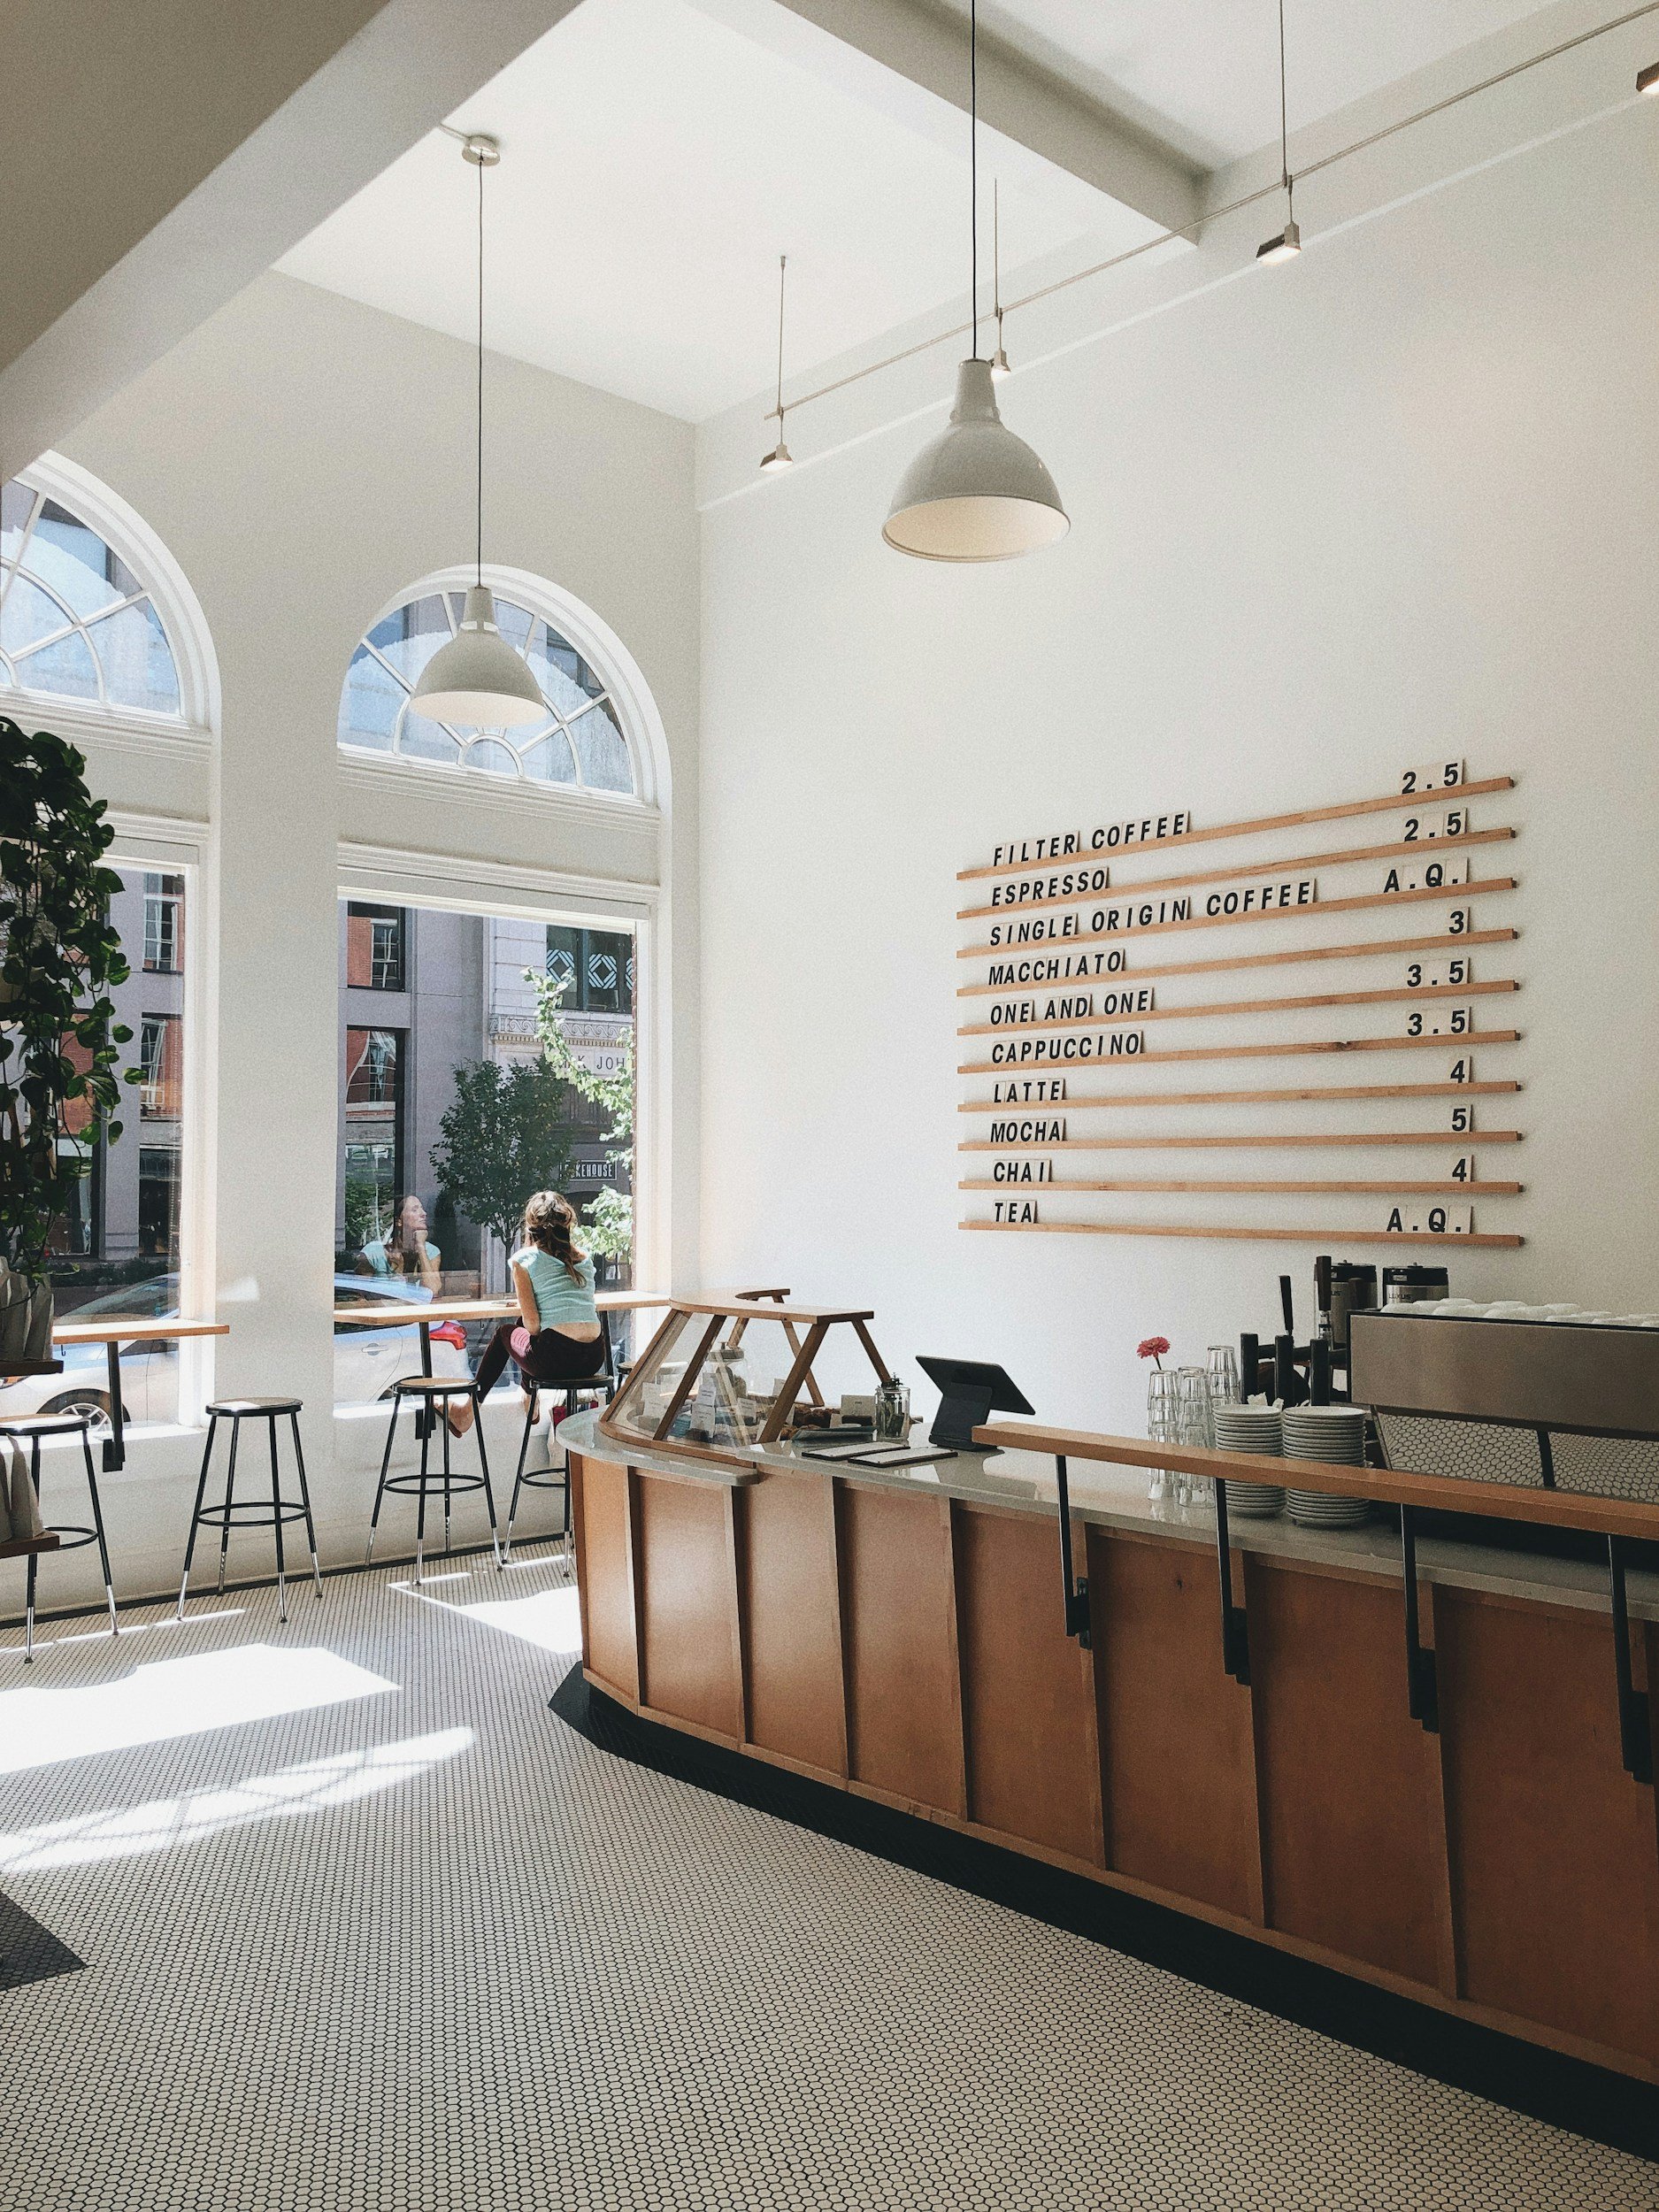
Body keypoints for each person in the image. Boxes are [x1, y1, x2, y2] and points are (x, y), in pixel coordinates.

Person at [448, 1190, 604, 1434]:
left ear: (531, 1227)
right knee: (522, 1328)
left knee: (505, 1333)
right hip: (594, 1358)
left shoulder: (524, 1259)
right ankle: (529, 1399)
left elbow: (532, 1326)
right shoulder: (585, 1258)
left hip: (555, 1360)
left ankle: (467, 1411)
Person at [357, 1194, 442, 1295]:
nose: (424, 1214)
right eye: (415, 1210)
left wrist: (421, 1247)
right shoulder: (374, 1253)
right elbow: (360, 1295)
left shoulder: (432, 1252)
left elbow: (433, 1291)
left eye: (422, 1209)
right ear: (399, 1221)